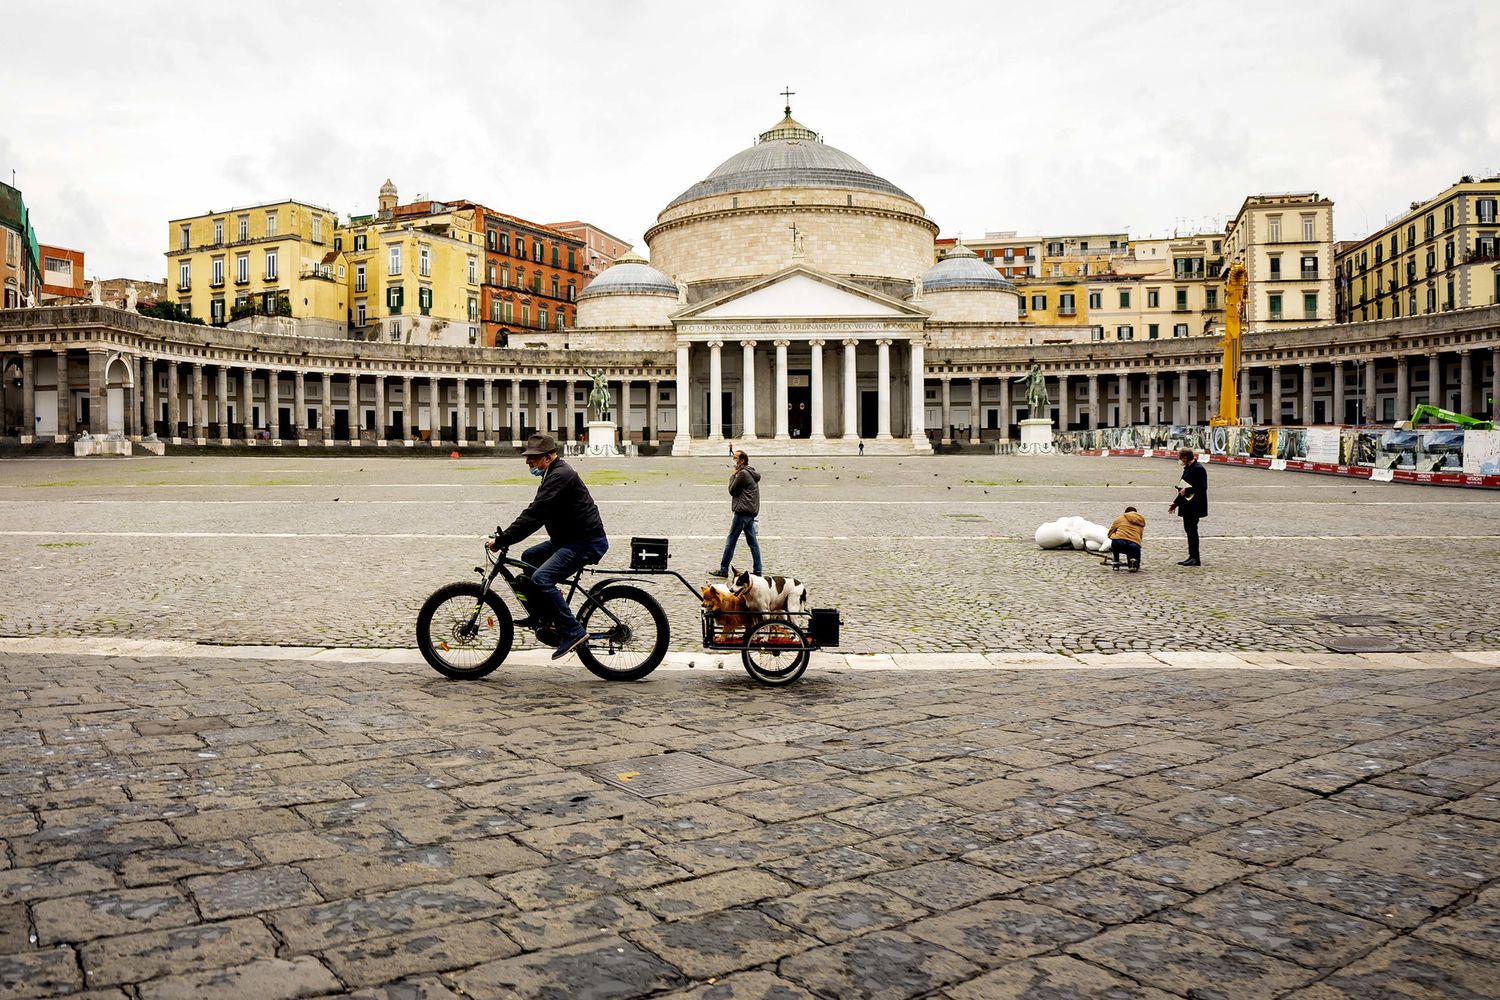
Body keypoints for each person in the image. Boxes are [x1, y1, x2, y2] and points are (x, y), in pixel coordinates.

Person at [489, 433, 608, 659]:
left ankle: (572, 631)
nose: (528, 462)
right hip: (569, 539)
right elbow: (537, 512)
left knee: (541, 579)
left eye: (532, 457)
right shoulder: (551, 473)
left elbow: (535, 515)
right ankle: (544, 616)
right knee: (529, 557)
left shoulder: (560, 476)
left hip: (585, 541)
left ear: (547, 457)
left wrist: (502, 540)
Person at [709, 449, 762, 579]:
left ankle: (723, 569)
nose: (734, 460)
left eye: (735, 458)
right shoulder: (751, 472)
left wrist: (733, 475)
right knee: (752, 542)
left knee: (731, 540)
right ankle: (758, 570)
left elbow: (732, 490)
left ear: (742, 461)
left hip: (742, 511)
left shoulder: (743, 474)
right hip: (750, 511)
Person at [1168, 447, 1208, 566]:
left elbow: (1202, 487)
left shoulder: (1198, 469)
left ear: (1185, 458)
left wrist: (1187, 490)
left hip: (1194, 505)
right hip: (1186, 505)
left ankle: (1195, 558)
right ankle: (1191, 556)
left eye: (1180, 458)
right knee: (1189, 530)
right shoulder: (1188, 468)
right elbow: (1182, 487)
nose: (1179, 461)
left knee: (1192, 531)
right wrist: (1176, 503)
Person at [1107, 506, 1146, 572]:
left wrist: (1114, 536)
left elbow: (1110, 533)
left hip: (1119, 542)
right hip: (1134, 544)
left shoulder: (1120, 518)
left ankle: (1116, 563)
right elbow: (1140, 536)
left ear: (1126, 513)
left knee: (1114, 544)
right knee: (1134, 548)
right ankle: (1134, 564)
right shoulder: (1140, 521)